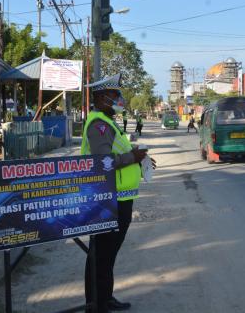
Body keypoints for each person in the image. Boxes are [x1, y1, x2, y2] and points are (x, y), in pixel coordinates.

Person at [81, 74, 154, 313]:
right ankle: (97, 303)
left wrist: (139, 158)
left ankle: (105, 297)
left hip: (117, 197)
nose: (119, 99)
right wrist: (132, 157)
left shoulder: (107, 122)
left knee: (108, 254)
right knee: (101, 253)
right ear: (102, 98)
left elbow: (117, 152)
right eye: (115, 95)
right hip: (108, 200)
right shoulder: (99, 124)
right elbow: (102, 162)